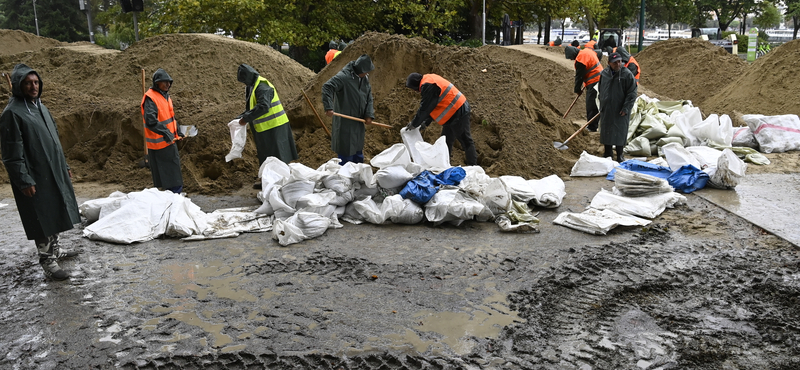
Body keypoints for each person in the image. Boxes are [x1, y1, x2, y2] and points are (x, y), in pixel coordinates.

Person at [1, 63, 80, 281]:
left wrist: (64, 166)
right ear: (18, 86)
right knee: (41, 217)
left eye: (36, 82)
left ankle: (55, 250)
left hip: (52, 170)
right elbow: (11, 153)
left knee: (54, 210)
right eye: (27, 83)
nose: (33, 86)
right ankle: (48, 261)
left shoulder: (40, 107)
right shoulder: (12, 114)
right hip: (34, 175)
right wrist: (23, 180)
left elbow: (55, 141)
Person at [236, 64, 298, 177]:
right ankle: (269, 177)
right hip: (265, 127)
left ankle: (279, 178)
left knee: (278, 156)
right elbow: (252, 107)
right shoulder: (253, 86)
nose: (245, 83)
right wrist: (241, 117)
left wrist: (246, 119)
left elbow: (263, 107)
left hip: (275, 125)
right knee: (267, 155)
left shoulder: (262, 87)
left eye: (245, 80)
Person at [404, 73, 478, 166]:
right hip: (452, 113)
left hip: (458, 111)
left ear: (415, 85)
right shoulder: (429, 80)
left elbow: (426, 108)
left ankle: (474, 167)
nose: (415, 91)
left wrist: (414, 123)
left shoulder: (428, 85)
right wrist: (425, 123)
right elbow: (433, 105)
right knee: (446, 142)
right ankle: (445, 166)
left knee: (466, 141)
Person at [321, 54, 375, 165]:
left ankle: (357, 178)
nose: (367, 74)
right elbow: (327, 87)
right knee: (346, 155)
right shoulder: (344, 77)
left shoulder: (364, 79)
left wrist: (369, 114)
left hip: (358, 122)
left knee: (358, 153)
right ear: (361, 70)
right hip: (345, 123)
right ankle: (345, 179)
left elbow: (369, 97)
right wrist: (328, 107)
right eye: (366, 71)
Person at [141, 69, 184, 194]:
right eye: (164, 82)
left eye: (169, 82)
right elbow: (151, 121)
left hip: (168, 141)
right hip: (160, 144)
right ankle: (174, 200)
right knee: (172, 178)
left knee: (170, 176)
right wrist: (166, 133)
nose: (168, 85)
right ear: (156, 83)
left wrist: (178, 130)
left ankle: (172, 198)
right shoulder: (151, 98)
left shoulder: (164, 96)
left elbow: (169, 117)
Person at [598, 53, 638, 163]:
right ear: (609, 63)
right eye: (615, 62)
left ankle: (620, 154)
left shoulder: (627, 74)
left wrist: (626, 108)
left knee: (620, 131)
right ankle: (608, 153)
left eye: (620, 61)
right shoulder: (604, 74)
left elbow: (632, 93)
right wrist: (601, 103)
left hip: (620, 108)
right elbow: (601, 89)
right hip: (607, 107)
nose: (618, 64)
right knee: (607, 130)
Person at [565, 45, 603, 131]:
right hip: (600, 79)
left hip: (595, 82)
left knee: (591, 104)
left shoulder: (580, 59)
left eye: (571, 58)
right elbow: (599, 53)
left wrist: (577, 90)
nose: (572, 60)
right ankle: (594, 125)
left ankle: (592, 127)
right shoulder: (587, 51)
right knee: (595, 103)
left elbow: (579, 77)